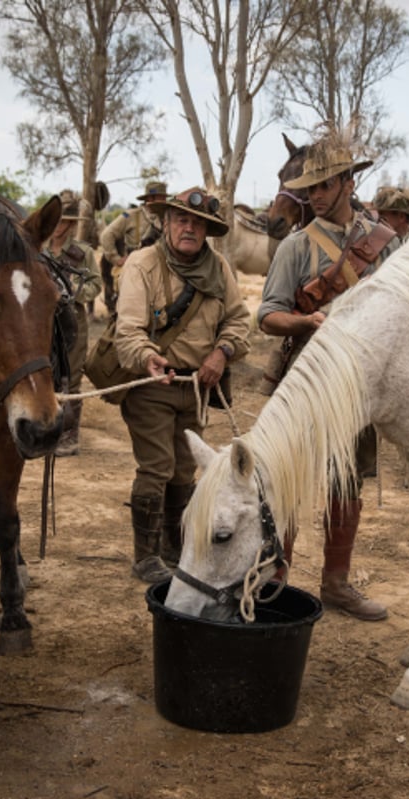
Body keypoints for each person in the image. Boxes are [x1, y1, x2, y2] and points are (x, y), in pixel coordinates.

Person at [258, 132, 399, 621]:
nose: (313, 195)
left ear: (348, 182)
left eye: (324, 184)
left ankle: (336, 584)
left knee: (348, 483)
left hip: (361, 386)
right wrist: (306, 321)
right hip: (306, 381)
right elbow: (268, 316)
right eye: (308, 186)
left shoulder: (386, 243)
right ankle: (274, 580)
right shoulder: (295, 247)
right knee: (291, 481)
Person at [114, 186, 251, 584]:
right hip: (151, 382)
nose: (189, 228)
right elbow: (128, 330)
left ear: (207, 230)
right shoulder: (142, 263)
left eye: (198, 223)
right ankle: (145, 557)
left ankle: (174, 549)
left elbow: (240, 320)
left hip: (196, 387)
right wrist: (147, 356)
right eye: (181, 220)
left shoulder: (219, 268)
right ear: (167, 222)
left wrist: (221, 352)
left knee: (184, 471)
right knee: (157, 467)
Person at [44, 194, 102, 457]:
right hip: (42, 323)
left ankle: (69, 436)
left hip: (72, 323)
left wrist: (71, 293)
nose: (59, 226)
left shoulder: (82, 253)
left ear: (70, 224)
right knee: (45, 376)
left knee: (71, 380)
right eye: (56, 220)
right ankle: (45, 432)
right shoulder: (37, 250)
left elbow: (95, 285)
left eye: (64, 221)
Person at [100, 180, 168, 316]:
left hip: (160, 270)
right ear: (151, 198)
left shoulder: (167, 217)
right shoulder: (131, 215)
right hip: (135, 269)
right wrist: (116, 259)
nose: (165, 201)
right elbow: (107, 235)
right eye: (162, 197)